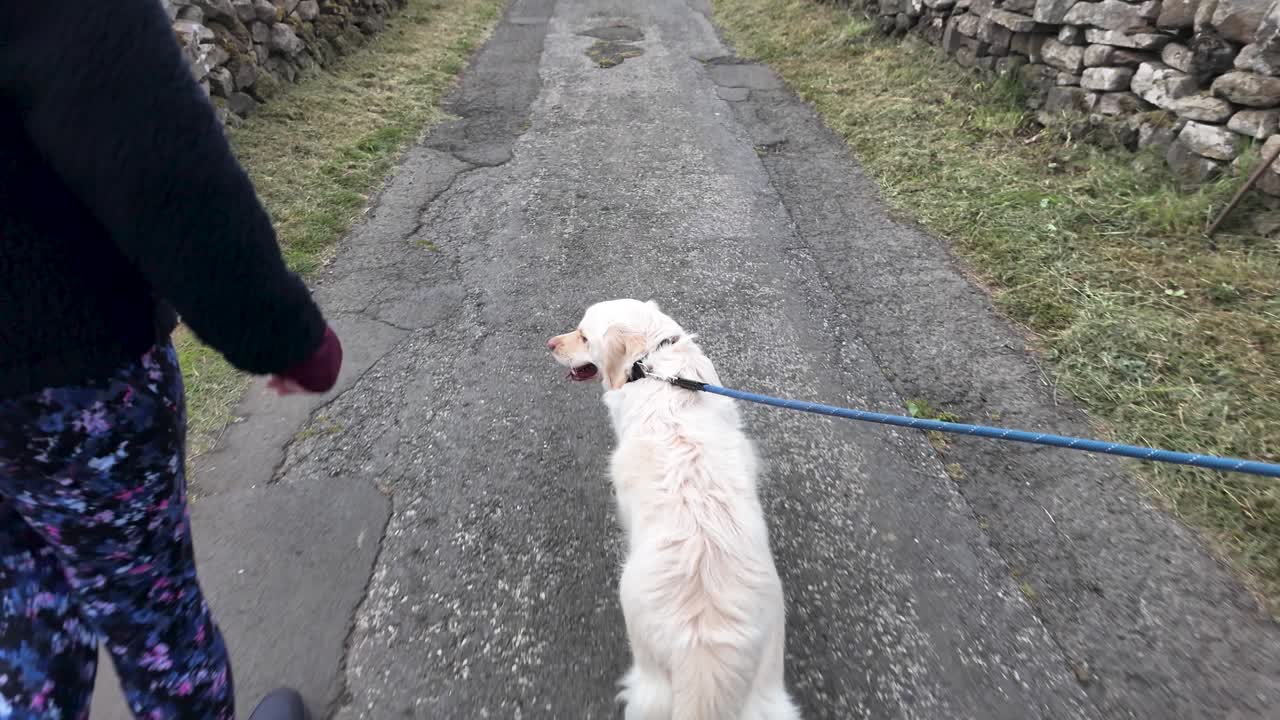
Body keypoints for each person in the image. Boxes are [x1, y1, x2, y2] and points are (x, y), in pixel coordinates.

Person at [1, 2, 343, 719]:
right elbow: (162, 167)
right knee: (153, 621)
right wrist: (283, 336)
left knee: (26, 606)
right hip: (71, 382)